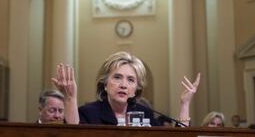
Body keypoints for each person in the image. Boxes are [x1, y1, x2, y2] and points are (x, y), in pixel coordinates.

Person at [52, 51, 200, 126]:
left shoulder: (146, 114)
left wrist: (185, 104)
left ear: (135, 89)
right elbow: (73, 133)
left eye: (130, 80)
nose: (123, 84)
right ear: (105, 83)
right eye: (117, 77)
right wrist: (70, 98)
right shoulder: (88, 113)